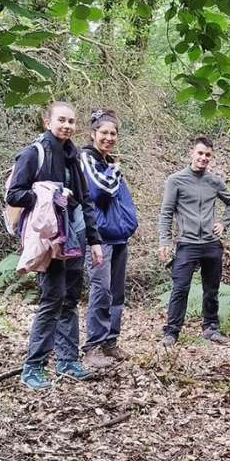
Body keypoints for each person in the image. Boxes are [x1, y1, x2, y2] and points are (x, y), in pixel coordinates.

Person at [6, 101, 104, 390]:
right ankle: (33, 366)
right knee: (52, 298)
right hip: (49, 238)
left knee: (71, 298)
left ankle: (67, 360)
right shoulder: (33, 153)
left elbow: (85, 201)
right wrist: (46, 195)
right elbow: (14, 195)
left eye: (72, 122)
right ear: (47, 121)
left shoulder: (73, 156)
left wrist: (95, 241)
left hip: (74, 235)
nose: (67, 126)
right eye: (61, 120)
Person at [158, 137, 230, 347]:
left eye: (208, 155)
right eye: (200, 153)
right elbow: (166, 212)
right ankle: (172, 332)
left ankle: (211, 328)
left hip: (211, 243)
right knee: (180, 288)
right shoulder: (175, 180)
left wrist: (223, 223)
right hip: (187, 242)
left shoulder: (214, 181)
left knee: (211, 288)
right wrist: (164, 241)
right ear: (191, 152)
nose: (204, 158)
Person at [79, 108, 138, 369]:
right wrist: (115, 172)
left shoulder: (106, 162)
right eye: (104, 132)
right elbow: (100, 192)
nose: (109, 137)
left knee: (116, 292)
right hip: (98, 237)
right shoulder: (87, 159)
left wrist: (112, 169)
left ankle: (110, 342)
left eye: (113, 133)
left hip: (118, 236)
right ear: (93, 134)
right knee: (100, 289)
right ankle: (93, 346)